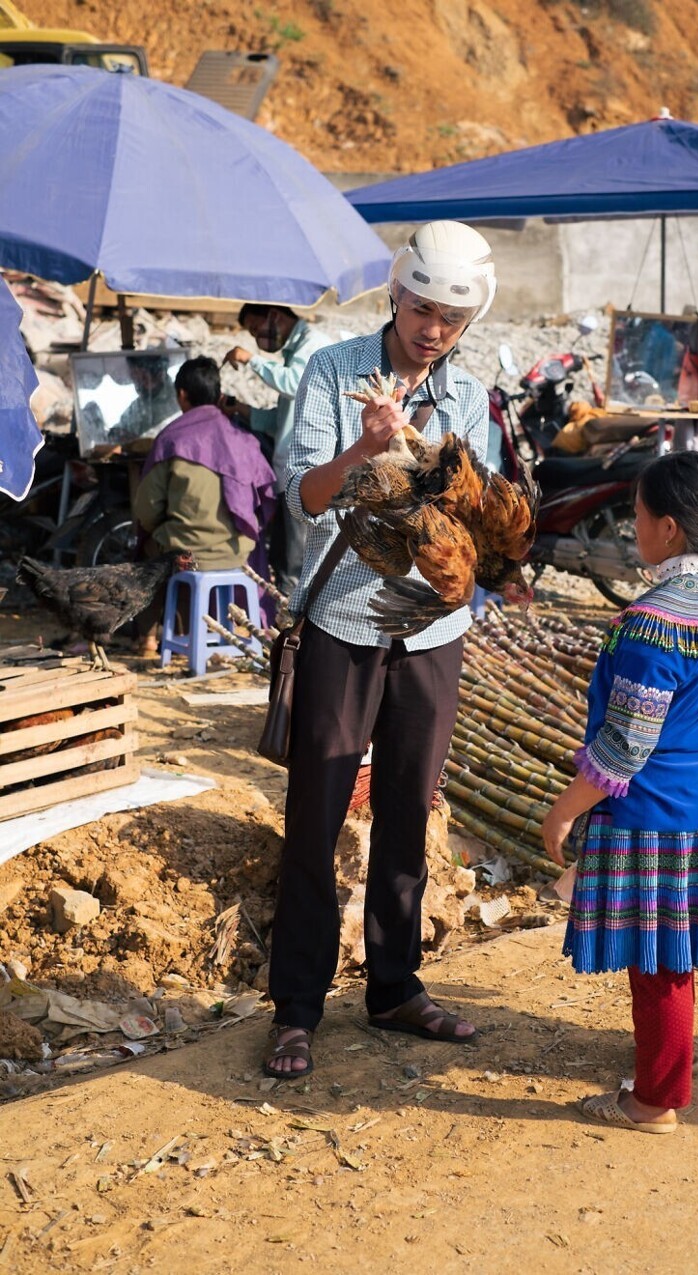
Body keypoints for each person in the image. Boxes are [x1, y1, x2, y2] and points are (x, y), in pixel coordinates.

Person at [263, 220, 497, 1079]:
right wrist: (366, 448)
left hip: (433, 631)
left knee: (408, 812)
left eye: (452, 316)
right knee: (315, 820)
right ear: (395, 293)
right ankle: (296, 1008)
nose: (433, 327)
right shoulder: (331, 370)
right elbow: (303, 499)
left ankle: (395, 988)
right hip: (343, 627)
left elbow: (480, 509)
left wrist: (449, 477)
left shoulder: (469, 392)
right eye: (423, 305)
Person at [542, 451, 698, 1134]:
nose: (631, 525)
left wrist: (561, 813)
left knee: (660, 961)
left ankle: (654, 1099)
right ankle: (668, 1059)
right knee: (676, 951)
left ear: (667, 528)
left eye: (636, 514)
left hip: (655, 815)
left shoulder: (655, 621)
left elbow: (624, 747)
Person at [133, 356, 275, 651]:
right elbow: (266, 498)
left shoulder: (171, 438)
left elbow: (146, 509)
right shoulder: (243, 438)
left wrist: (158, 530)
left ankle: (147, 640)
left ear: (182, 395)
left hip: (187, 551)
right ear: (219, 396)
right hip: (237, 553)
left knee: (150, 557)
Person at [222, 304, 332, 591]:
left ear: (276, 317)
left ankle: (292, 626)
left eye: (256, 330)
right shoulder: (294, 354)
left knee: (294, 563)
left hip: (307, 473)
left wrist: (252, 360)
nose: (258, 337)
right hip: (289, 473)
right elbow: (284, 419)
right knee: (283, 555)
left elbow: (295, 383)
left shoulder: (314, 345)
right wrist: (243, 410)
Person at [114, 353, 179, 443]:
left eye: (143, 378)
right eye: (135, 379)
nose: (138, 385)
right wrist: (116, 432)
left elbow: (167, 440)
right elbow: (122, 428)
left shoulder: (177, 399)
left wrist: (136, 441)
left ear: (159, 374)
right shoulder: (138, 406)